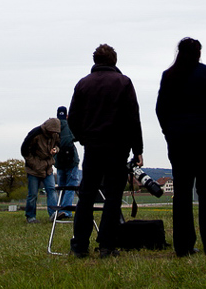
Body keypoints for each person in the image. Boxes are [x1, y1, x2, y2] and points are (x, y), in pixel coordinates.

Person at [155, 37, 206, 256]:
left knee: (182, 193)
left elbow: (161, 109)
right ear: (199, 53)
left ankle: (183, 245)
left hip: (180, 142)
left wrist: (169, 132)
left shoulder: (169, 76)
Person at [68, 43, 144, 258]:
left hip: (92, 146)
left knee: (87, 195)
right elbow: (133, 118)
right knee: (112, 197)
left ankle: (80, 244)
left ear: (95, 61)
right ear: (114, 61)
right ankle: (107, 245)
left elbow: (73, 117)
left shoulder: (83, 84)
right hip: (118, 146)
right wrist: (137, 148)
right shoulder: (123, 82)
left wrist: (83, 137)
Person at [21, 116, 61, 223]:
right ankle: (30, 216)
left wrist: (55, 150)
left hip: (48, 168)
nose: (54, 133)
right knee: (33, 194)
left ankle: (53, 214)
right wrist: (35, 164)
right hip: (34, 169)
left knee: (52, 190)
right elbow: (25, 151)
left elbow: (58, 144)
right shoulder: (35, 134)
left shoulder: (55, 135)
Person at [54, 105, 81, 218]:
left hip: (59, 161)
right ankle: (66, 210)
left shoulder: (54, 127)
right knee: (71, 186)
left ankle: (59, 209)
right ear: (67, 115)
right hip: (71, 160)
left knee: (61, 186)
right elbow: (77, 137)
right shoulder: (70, 125)